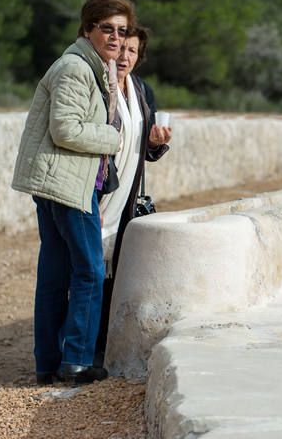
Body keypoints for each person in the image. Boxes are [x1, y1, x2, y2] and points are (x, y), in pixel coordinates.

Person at [12, 0, 136, 385]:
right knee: (89, 271)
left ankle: (47, 364)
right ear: (87, 30)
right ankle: (78, 360)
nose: (116, 38)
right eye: (107, 30)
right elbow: (65, 129)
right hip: (66, 187)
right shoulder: (75, 68)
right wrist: (111, 137)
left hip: (60, 183)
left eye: (122, 31)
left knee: (55, 275)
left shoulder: (91, 66)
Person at [94, 26, 172, 364]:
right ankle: (76, 347)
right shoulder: (99, 84)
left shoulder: (142, 90)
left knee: (115, 271)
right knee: (88, 270)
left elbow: (145, 148)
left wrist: (157, 142)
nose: (125, 57)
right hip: (98, 193)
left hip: (126, 196)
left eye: (133, 52)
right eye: (122, 48)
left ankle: (100, 347)